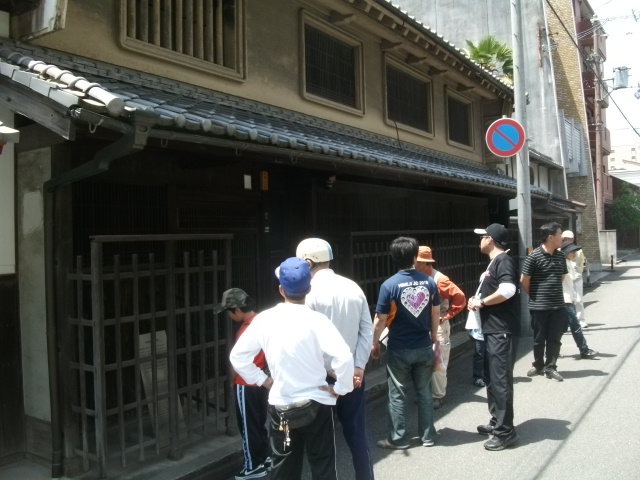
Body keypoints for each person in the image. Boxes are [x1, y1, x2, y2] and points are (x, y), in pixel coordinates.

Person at [229, 257, 354, 480]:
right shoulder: (318, 320)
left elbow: (237, 357)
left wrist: (263, 380)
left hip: (282, 407)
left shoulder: (264, 320)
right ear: (308, 289)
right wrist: (341, 388)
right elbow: (344, 357)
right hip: (317, 403)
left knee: (284, 469)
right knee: (323, 466)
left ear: (281, 289)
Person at [296, 238, 375, 480]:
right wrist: (359, 366)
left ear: (309, 262)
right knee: (357, 434)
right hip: (353, 375)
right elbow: (366, 330)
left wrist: (328, 368)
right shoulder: (353, 287)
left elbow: (308, 339)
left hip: (321, 378)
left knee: (324, 440)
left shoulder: (308, 293)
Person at [371, 236, 440, 449]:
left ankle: (399, 439)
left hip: (399, 347)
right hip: (423, 345)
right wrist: (434, 336)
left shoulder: (389, 285)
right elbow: (436, 312)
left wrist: (374, 343)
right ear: (414, 257)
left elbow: (380, 319)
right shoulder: (429, 282)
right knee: (425, 392)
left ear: (393, 257)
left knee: (397, 394)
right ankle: (428, 436)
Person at [467, 223, 520, 451]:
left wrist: (481, 302)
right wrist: (477, 300)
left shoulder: (503, 260)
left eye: (483, 237)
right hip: (493, 329)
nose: (480, 241)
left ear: (490, 239)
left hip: (502, 330)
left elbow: (508, 290)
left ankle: (505, 432)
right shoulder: (495, 262)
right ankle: (497, 421)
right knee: (492, 379)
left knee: (500, 381)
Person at [215, 288, 270, 480]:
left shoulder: (246, 329)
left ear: (238, 310)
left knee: (247, 427)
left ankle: (252, 465)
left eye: (229, 312)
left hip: (246, 383)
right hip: (261, 380)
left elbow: (238, 362)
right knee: (259, 423)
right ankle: (265, 457)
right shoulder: (262, 322)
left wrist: (232, 382)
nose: (229, 316)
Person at [414, 246, 466, 409]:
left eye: (416, 261)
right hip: (422, 325)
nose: (413, 264)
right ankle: (426, 394)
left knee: (438, 362)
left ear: (424, 263)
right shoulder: (417, 276)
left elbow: (460, 297)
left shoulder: (439, 279)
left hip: (437, 326)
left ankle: (437, 396)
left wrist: (448, 315)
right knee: (423, 363)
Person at [520, 222, 568, 382]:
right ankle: (538, 365)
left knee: (555, 339)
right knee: (539, 339)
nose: (562, 238)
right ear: (550, 237)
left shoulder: (560, 256)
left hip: (558, 305)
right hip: (539, 307)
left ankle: (551, 367)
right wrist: (536, 295)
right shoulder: (533, 256)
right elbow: (524, 280)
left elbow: (562, 276)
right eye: (560, 234)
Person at [560, 242, 598, 359]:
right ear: (565, 253)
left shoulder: (570, 263)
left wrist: (573, 297)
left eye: (575, 251)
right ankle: (584, 349)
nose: (574, 253)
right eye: (572, 251)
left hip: (567, 299)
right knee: (574, 325)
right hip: (563, 299)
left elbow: (570, 284)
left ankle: (552, 350)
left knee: (560, 328)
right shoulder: (561, 264)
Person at [562, 230, 588, 328]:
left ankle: (581, 320)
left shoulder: (578, 251)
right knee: (566, 299)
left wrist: (578, 273)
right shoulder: (559, 250)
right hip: (565, 278)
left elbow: (581, 264)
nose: (568, 240)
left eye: (570, 239)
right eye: (566, 239)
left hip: (577, 277)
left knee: (578, 299)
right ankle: (567, 320)